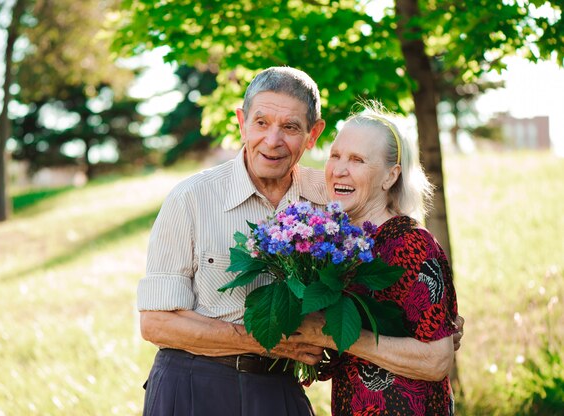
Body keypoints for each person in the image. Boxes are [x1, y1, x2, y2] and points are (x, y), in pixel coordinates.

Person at [137, 67, 463, 416]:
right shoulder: (191, 198)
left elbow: (392, 252)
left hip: (280, 390)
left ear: (313, 133)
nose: (273, 140)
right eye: (261, 122)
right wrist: (274, 342)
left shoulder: (331, 199)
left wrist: (434, 326)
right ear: (242, 122)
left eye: (290, 127)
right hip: (193, 384)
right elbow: (155, 323)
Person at [292, 106, 459, 415]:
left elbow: (437, 360)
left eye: (357, 160)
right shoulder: (341, 248)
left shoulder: (409, 245)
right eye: (336, 155)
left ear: (390, 176)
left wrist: (331, 333)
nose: (339, 169)